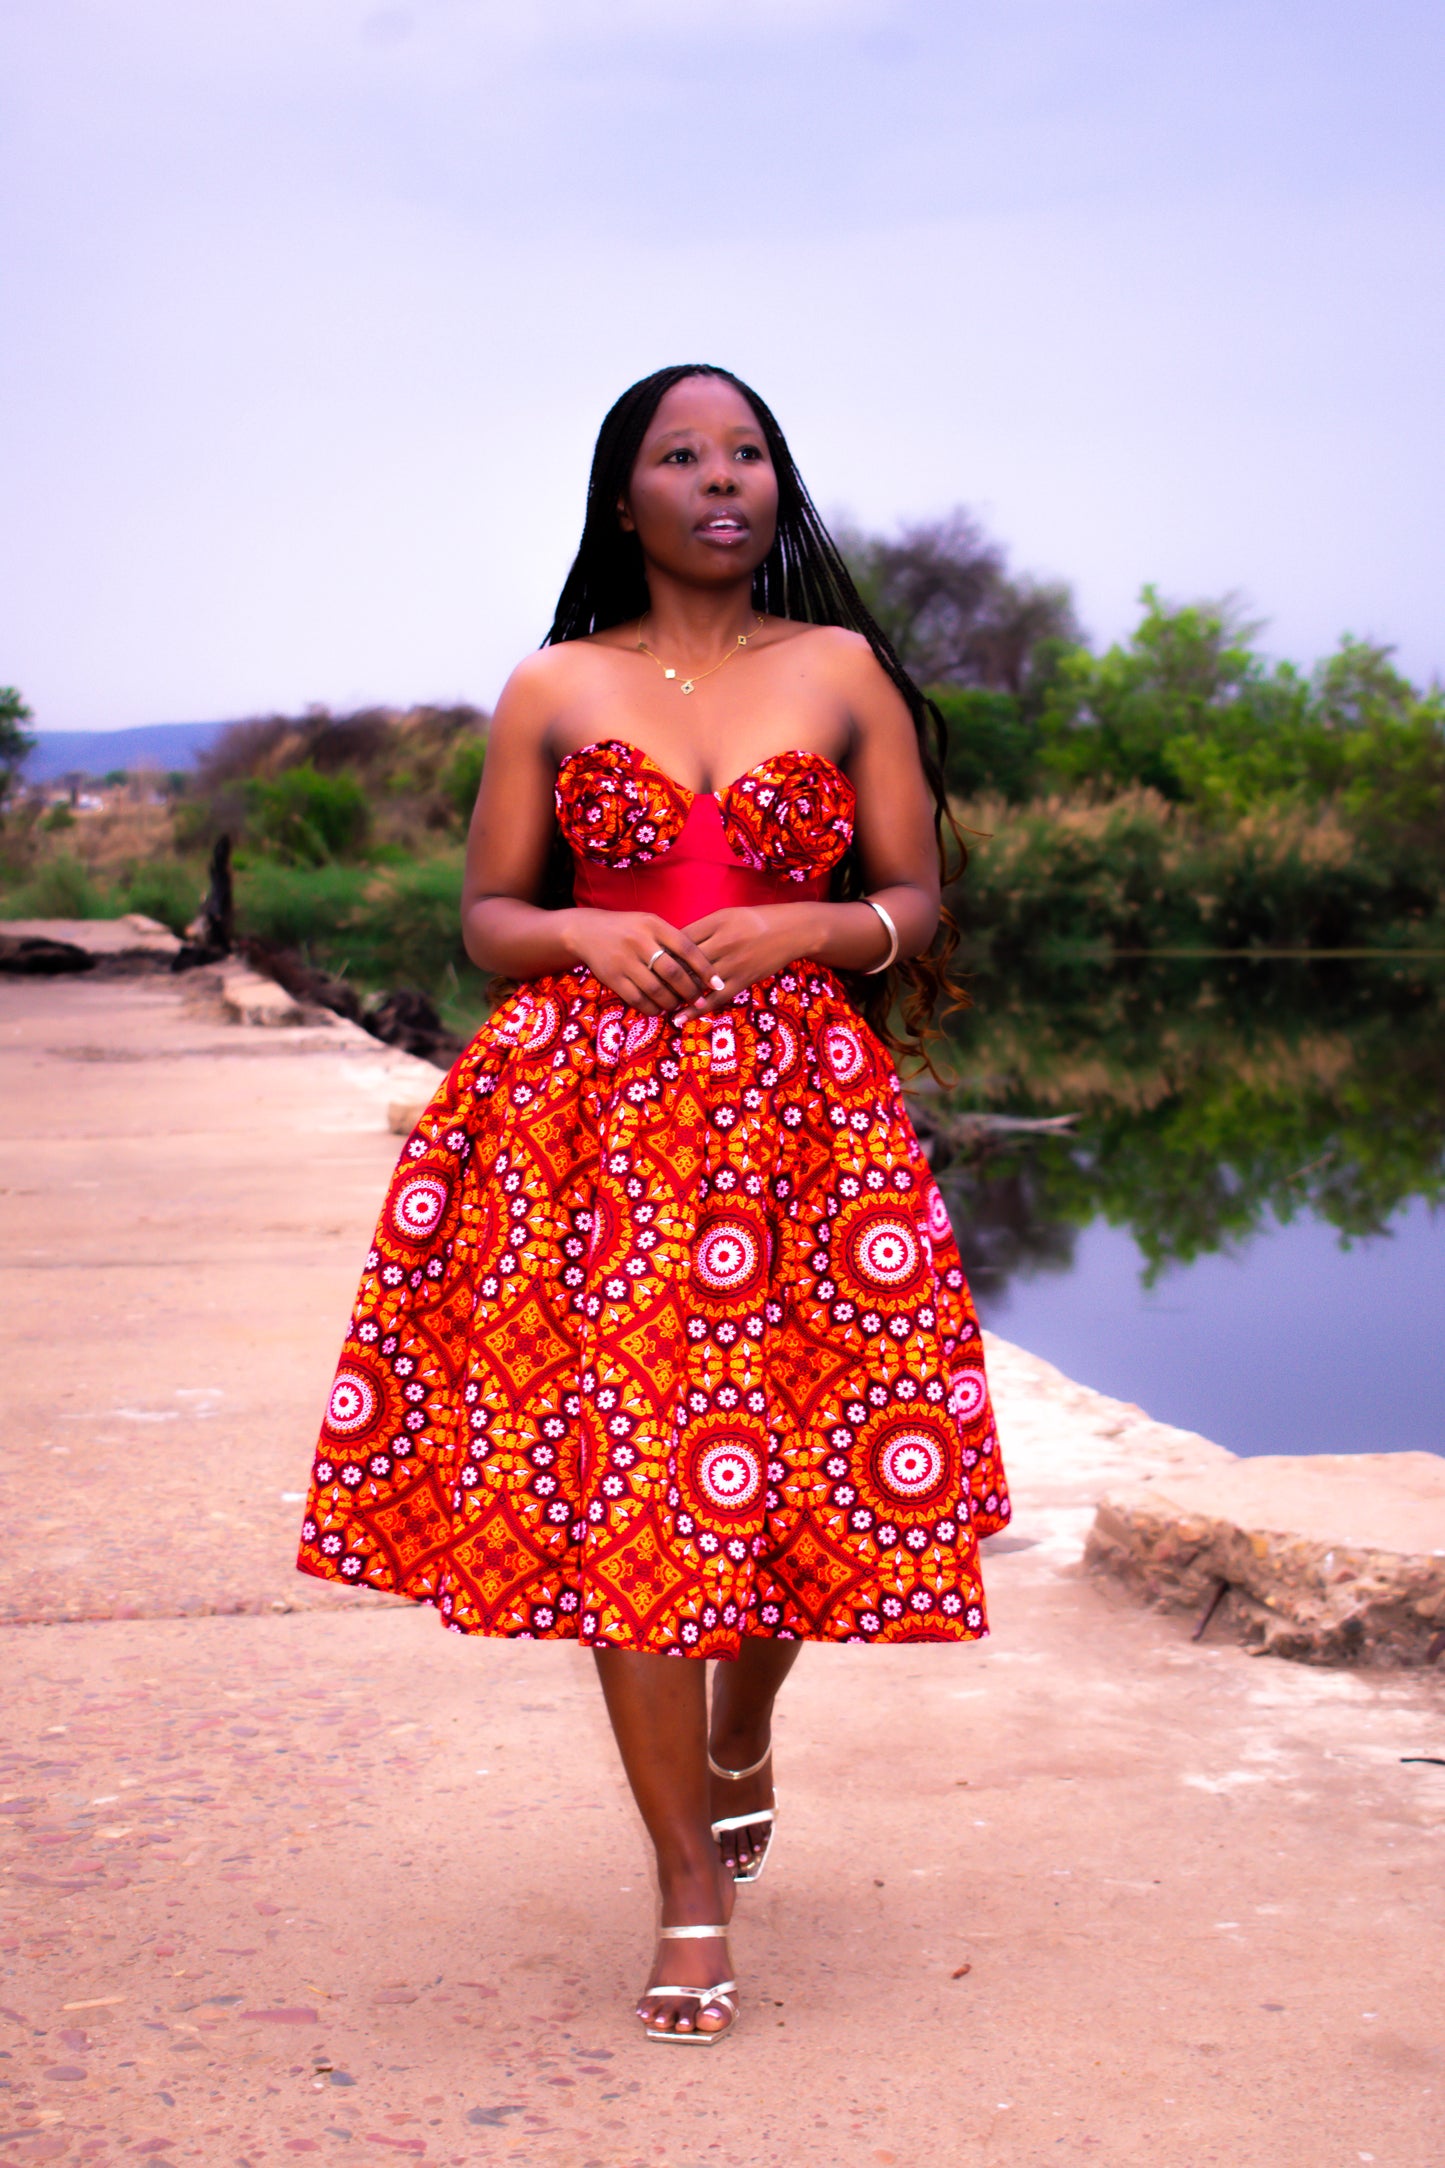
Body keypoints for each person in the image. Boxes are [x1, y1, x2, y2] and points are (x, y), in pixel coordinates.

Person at [297, 364, 1011, 2045]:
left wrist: (823, 930)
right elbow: (487, 914)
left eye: (745, 453)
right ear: (624, 497)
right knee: (630, 1492)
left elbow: (913, 889)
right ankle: (688, 1883)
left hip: (797, 1128)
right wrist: (580, 932)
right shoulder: (553, 685)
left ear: (778, 485)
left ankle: (742, 1725)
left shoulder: (841, 676)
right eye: (678, 457)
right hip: (594, 1131)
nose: (718, 480)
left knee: (813, 1478)